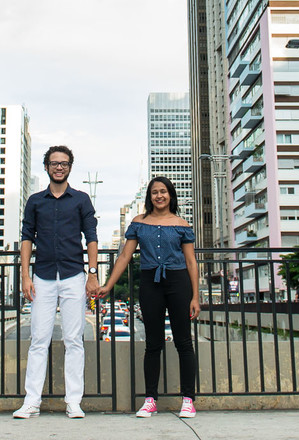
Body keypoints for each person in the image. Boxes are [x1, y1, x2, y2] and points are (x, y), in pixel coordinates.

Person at [97, 176, 199, 419]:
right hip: (150, 282)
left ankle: (188, 400)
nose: (159, 196)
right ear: (149, 197)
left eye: (163, 191)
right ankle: (150, 399)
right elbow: (125, 256)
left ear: (170, 195)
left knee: (184, 342)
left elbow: (191, 262)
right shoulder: (139, 223)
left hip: (178, 282)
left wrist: (195, 296)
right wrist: (108, 285)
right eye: (155, 192)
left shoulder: (182, 225)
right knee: (153, 343)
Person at [12, 145, 99, 420]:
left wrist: (93, 273)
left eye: (63, 163)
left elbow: (91, 237)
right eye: (54, 163)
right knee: (39, 339)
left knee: (74, 340)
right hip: (43, 277)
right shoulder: (35, 201)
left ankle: (73, 402)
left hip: (74, 276)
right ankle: (31, 402)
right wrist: (25, 276)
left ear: (70, 167)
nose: (59, 167)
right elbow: (27, 238)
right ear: (47, 167)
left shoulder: (81, 199)